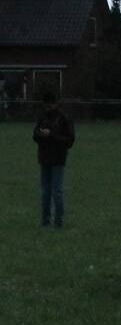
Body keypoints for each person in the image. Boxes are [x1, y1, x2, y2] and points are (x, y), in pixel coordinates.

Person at [32, 92, 75, 227]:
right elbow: (35, 134)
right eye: (46, 104)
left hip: (58, 158)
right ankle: (45, 221)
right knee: (45, 191)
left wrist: (51, 135)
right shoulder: (43, 117)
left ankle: (58, 221)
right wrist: (41, 135)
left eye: (50, 104)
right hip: (44, 158)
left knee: (56, 191)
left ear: (56, 104)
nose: (48, 106)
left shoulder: (64, 118)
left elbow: (69, 140)